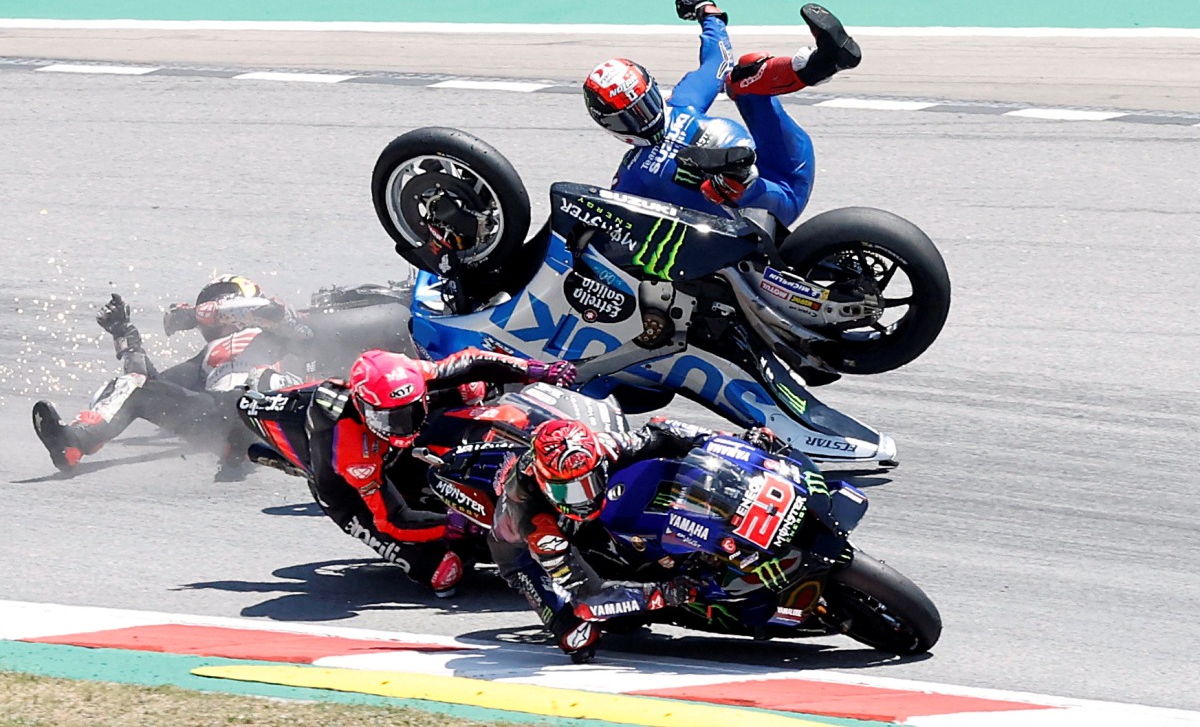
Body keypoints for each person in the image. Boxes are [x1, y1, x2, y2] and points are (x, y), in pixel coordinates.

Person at [488, 415, 784, 660]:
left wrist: (732, 441)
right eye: (573, 490)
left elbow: (662, 431)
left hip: (585, 510)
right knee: (577, 637)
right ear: (546, 484)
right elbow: (591, 597)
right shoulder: (537, 523)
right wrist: (666, 593)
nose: (586, 495)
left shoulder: (603, 448)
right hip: (522, 552)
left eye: (591, 481)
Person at [583, 0, 862, 231]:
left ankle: (818, 65)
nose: (643, 120)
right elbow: (615, 231)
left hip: (786, 166)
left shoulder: (683, 101)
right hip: (751, 219)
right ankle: (735, 179)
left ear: (652, 88)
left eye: (644, 105)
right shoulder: (632, 175)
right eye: (628, 118)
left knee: (741, 77)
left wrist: (706, 12)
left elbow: (718, 57)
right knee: (705, 190)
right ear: (608, 124)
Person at [306, 347, 577, 598]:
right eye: (390, 419)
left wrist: (534, 370)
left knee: (472, 388)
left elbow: (470, 362)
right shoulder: (353, 453)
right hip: (349, 495)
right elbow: (392, 521)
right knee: (443, 573)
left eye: (411, 411)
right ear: (365, 409)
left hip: (389, 450)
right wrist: (454, 525)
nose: (402, 425)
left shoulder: (409, 374)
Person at [31, 275, 310, 480]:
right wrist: (123, 334)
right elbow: (147, 385)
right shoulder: (206, 358)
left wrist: (198, 314)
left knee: (258, 387)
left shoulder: (279, 331)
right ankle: (75, 441)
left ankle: (246, 439)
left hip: (270, 408)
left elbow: (271, 313)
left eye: (219, 297)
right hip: (216, 414)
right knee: (131, 386)